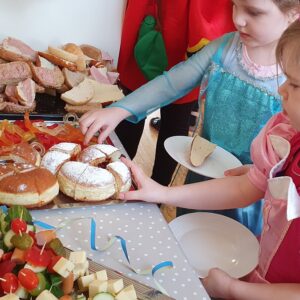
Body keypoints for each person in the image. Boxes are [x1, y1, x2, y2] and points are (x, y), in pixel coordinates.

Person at [80, 0, 299, 234]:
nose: (238, 19)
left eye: (254, 12)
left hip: (256, 194)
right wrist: (121, 108)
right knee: (194, 238)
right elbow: (173, 82)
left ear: (293, 14)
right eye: (235, 5)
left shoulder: (293, 80)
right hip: (203, 175)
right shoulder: (226, 48)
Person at [117, 20, 300, 299]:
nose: (282, 90)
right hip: (259, 279)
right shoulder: (286, 136)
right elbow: (244, 188)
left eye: (295, 85)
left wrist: (233, 289)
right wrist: (162, 192)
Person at [103, 0, 234, 186]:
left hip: (183, 21)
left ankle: (155, 189)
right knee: (135, 101)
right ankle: (116, 180)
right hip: (158, 15)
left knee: (175, 111)